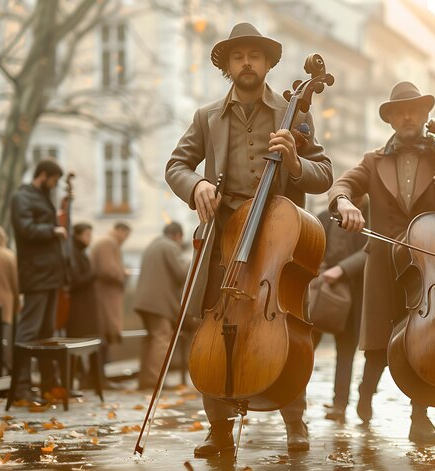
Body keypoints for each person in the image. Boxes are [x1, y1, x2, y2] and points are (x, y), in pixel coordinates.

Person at [165, 23, 332, 457]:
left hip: (279, 238)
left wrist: (295, 163)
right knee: (214, 326)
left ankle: (294, 420)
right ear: (226, 65)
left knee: (286, 327)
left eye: (254, 56)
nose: (246, 63)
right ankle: (217, 428)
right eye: (238, 56)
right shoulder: (206, 117)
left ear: (267, 63)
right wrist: (196, 185)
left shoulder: (294, 113)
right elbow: (176, 165)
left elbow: (324, 174)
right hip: (225, 236)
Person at [328, 81, 435, 445]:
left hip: (428, 270)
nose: (408, 116)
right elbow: (341, 185)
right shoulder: (373, 160)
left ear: (427, 115)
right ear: (392, 119)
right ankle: (365, 396)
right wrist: (345, 203)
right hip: (383, 266)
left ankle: (419, 421)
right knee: (379, 346)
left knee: (423, 342)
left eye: (415, 110)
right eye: (400, 111)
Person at [9, 158, 67, 401]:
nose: (54, 186)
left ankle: (48, 384)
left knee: (46, 332)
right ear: (43, 175)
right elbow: (25, 229)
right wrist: (53, 230)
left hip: (50, 275)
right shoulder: (21, 197)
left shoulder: (42, 197)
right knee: (28, 331)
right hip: (36, 274)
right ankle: (20, 386)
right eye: (53, 181)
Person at [312, 200, 367, 423]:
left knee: (346, 353)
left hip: (353, 296)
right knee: (306, 347)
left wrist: (342, 269)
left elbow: (371, 251)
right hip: (320, 291)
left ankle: (340, 405)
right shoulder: (324, 216)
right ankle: (294, 401)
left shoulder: (369, 217)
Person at [133, 222, 189, 390]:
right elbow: (182, 272)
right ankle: (156, 381)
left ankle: (146, 379)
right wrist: (190, 259)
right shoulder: (170, 246)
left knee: (150, 339)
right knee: (161, 339)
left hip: (145, 301)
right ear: (177, 235)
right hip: (158, 303)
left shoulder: (154, 244)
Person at [65, 222, 102, 388]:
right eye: (87, 234)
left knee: (87, 344)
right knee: (79, 345)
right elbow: (74, 280)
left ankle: (89, 379)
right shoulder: (73, 252)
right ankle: (85, 379)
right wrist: (93, 274)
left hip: (83, 308)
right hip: (79, 309)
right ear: (78, 235)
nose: (90, 238)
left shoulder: (78, 251)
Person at [90, 222, 131, 347]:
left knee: (105, 332)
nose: (126, 238)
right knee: (106, 331)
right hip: (106, 294)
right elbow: (107, 269)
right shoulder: (109, 242)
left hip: (104, 293)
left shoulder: (106, 242)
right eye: (126, 234)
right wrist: (122, 273)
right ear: (120, 231)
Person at [0, 224, 19, 372]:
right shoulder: (8, 255)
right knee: (3, 340)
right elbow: (16, 284)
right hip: (5, 305)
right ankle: (3, 371)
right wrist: (17, 304)